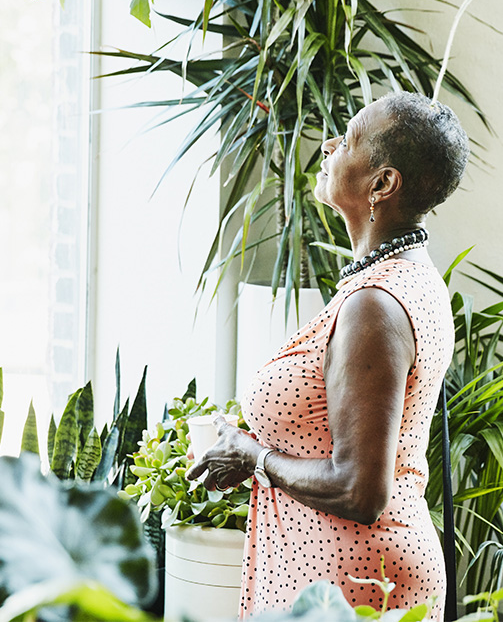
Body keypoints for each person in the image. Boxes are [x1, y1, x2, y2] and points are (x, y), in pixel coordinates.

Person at [186, 91, 469, 620]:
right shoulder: (407, 274)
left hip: (351, 581)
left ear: (382, 184)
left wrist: (255, 459)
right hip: (351, 570)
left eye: (350, 138)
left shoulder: (374, 306)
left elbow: (360, 489)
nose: (330, 146)